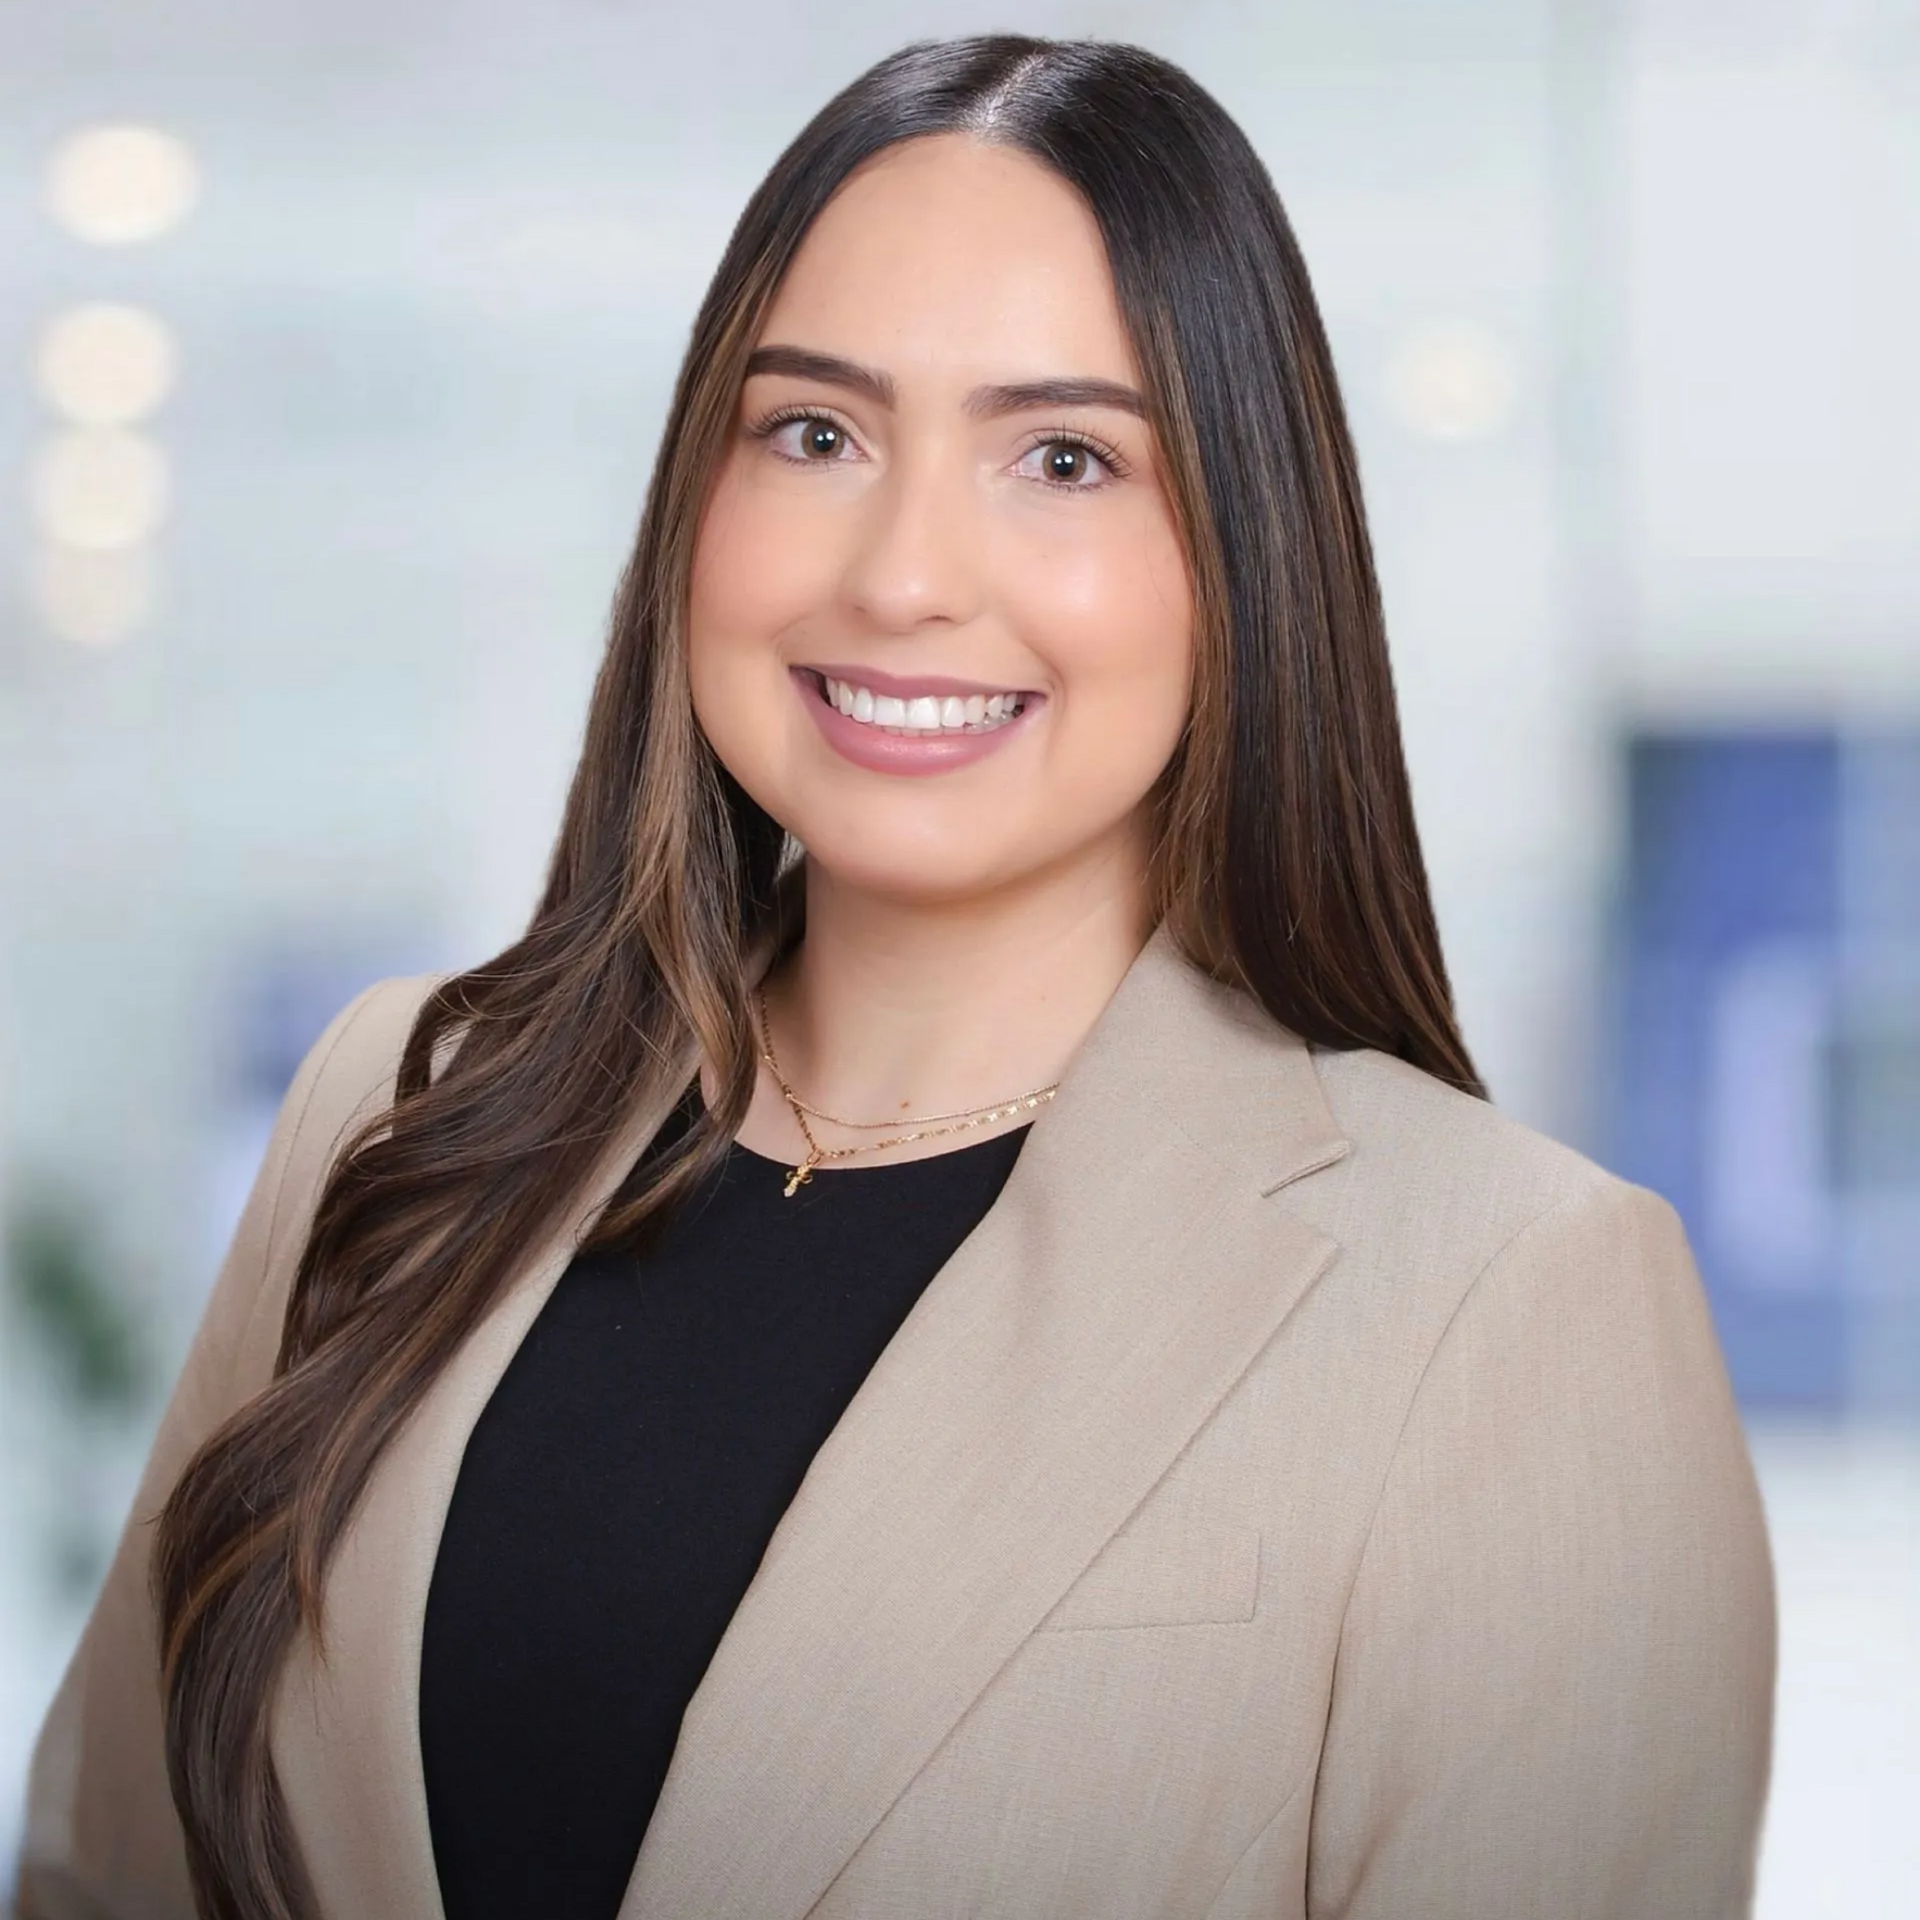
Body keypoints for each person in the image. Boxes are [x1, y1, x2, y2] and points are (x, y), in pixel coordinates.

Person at [14, 33, 1775, 1920]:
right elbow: (107, 1872)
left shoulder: (1511, 1303)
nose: (904, 574)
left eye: (1065, 459)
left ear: (1245, 556)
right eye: (815, 435)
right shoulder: (401, 1116)